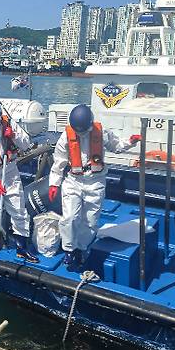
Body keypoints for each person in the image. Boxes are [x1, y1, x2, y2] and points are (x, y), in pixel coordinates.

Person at [48, 104, 141, 268]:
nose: (81, 133)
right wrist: (54, 183)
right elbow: (59, 161)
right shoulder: (66, 137)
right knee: (70, 218)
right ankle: (69, 250)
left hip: (95, 182)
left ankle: (81, 248)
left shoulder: (101, 132)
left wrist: (131, 142)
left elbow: (116, 146)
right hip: (73, 180)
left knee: (90, 221)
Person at [0, 99, 39, 263]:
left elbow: (27, 145)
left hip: (10, 172)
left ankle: (21, 247)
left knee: (18, 210)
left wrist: (14, 135)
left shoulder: (10, 124)